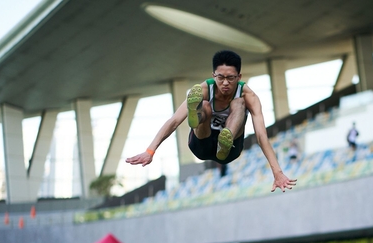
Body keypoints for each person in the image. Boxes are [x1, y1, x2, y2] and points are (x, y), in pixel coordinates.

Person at [125, 50, 296, 194]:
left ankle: (225, 140)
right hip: (201, 141)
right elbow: (175, 120)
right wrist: (150, 151)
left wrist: (277, 172)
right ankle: (197, 117)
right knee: (205, 105)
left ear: (239, 76)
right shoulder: (205, 89)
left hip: (230, 150)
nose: (225, 83)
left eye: (231, 78)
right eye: (220, 77)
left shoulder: (248, 95)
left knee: (239, 103)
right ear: (213, 75)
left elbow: (261, 136)